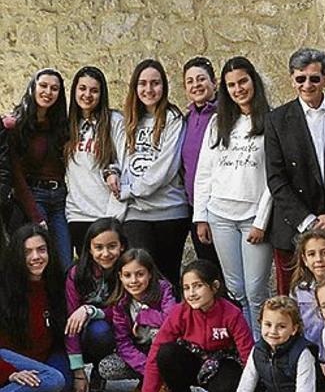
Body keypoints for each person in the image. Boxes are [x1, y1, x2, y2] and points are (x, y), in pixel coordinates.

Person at [265, 48, 325, 295]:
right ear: (292, 79)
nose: (307, 85)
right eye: (301, 78)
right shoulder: (276, 120)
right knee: (290, 302)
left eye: (314, 78)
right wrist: (308, 222)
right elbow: (276, 178)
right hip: (293, 228)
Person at [193, 56, 273, 338]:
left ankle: (264, 351)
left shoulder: (270, 121)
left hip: (253, 218)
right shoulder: (218, 122)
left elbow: (274, 179)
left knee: (255, 291)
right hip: (220, 216)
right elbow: (204, 172)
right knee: (236, 289)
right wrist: (201, 217)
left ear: (253, 82)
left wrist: (262, 221)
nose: (238, 89)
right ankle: (246, 351)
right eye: (231, 85)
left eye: (242, 82)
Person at [139, 259, 254, 392]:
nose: (191, 294)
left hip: (221, 364)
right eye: (186, 288)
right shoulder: (180, 312)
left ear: (214, 287)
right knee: (166, 352)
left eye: (198, 286)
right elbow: (155, 353)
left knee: (224, 389)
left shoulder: (232, 314)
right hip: (191, 361)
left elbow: (248, 354)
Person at [116, 59, 189, 289]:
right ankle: (143, 324)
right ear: (135, 87)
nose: (149, 89)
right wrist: (112, 172)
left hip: (170, 212)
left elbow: (165, 169)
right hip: (136, 213)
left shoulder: (173, 119)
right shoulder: (125, 120)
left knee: (167, 280)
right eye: (143, 83)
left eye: (155, 83)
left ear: (164, 87)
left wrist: (130, 190)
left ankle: (169, 325)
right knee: (141, 278)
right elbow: (116, 158)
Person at [4, 68, 72, 268]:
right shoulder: (15, 125)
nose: (48, 92)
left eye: (54, 88)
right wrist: (35, 215)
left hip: (60, 199)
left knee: (65, 262)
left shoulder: (61, 126)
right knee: (41, 264)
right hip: (34, 197)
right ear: (33, 87)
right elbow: (16, 176)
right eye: (43, 86)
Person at [0, 224, 71, 392]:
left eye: (41, 250)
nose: (36, 257)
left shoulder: (54, 285)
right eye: (27, 252)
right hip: (5, 359)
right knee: (55, 379)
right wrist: (9, 373)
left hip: (37, 363)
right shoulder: (4, 288)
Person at [64, 218, 127, 392]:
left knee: (101, 329)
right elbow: (70, 323)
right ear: (89, 249)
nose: (105, 253)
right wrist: (78, 372)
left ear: (122, 246)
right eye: (98, 247)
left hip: (117, 333)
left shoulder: (129, 270)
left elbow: (124, 313)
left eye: (112, 246)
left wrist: (91, 311)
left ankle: (100, 372)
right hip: (81, 336)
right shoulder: (77, 274)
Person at [64, 66, 127, 249]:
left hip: (107, 214)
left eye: (94, 90)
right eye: (82, 88)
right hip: (77, 214)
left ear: (102, 94)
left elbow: (124, 164)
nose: (87, 94)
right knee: (86, 273)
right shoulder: (68, 125)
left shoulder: (115, 122)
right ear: (75, 90)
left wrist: (114, 215)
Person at [98, 248, 175, 392]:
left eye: (140, 274)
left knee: (158, 334)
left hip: (166, 353)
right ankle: (148, 380)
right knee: (107, 367)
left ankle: (171, 383)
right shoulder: (120, 303)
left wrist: (143, 316)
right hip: (142, 353)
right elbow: (123, 343)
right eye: (127, 275)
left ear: (150, 274)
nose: (133, 281)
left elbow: (172, 321)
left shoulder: (164, 289)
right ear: (120, 277)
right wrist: (147, 370)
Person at [232, 295, 325, 392]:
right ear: (260, 323)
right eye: (268, 325)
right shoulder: (258, 350)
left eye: (281, 326)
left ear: (293, 329)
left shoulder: (302, 353)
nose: (273, 331)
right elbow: (245, 387)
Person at [180, 56, 221, 267]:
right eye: (190, 81)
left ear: (214, 83)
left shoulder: (225, 116)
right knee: (208, 266)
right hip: (193, 207)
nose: (196, 85)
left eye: (201, 79)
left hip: (219, 209)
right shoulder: (186, 120)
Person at [289, 229, 325, 380]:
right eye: (312, 254)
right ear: (305, 260)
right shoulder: (298, 291)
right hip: (308, 358)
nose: (319, 259)